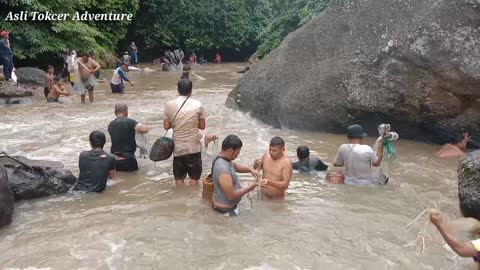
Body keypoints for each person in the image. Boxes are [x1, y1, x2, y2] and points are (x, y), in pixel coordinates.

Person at [163, 79, 206, 185]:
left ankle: (178, 200)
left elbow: (166, 126)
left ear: (178, 90)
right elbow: (202, 126)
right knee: (194, 179)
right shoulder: (198, 105)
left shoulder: (169, 105)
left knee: (179, 179)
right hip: (194, 147)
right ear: (191, 91)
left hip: (178, 148)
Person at [212, 135, 259, 216]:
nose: (238, 154)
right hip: (227, 211)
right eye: (238, 152)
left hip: (226, 206)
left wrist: (250, 169)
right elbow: (231, 195)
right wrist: (249, 188)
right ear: (230, 150)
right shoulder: (223, 170)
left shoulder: (221, 157)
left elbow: (235, 166)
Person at [108, 104, 150, 172]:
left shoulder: (111, 124)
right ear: (126, 112)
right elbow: (144, 129)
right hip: (128, 160)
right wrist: (148, 127)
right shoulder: (130, 122)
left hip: (114, 161)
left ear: (115, 112)